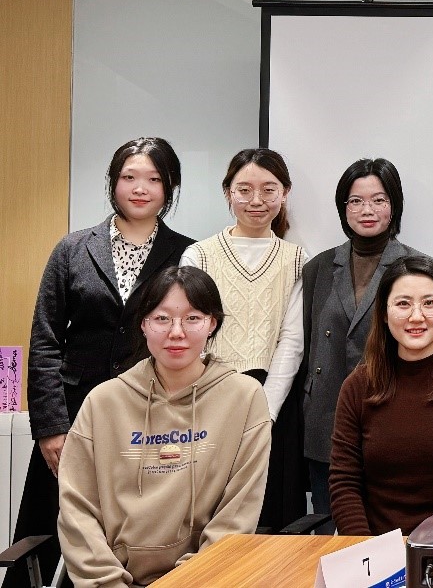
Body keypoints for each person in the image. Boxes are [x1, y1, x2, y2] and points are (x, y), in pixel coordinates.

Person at [11, 137, 194, 588]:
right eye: (129, 177)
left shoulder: (187, 254)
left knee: (136, 526)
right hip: (74, 412)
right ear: (113, 182)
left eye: (154, 179)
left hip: (150, 414)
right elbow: (46, 340)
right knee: (53, 527)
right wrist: (50, 427)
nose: (140, 188)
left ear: (170, 187)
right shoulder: (73, 249)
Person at [57, 266, 271, 587]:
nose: (176, 332)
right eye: (162, 318)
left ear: (212, 323)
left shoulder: (245, 398)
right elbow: (77, 509)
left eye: (193, 318)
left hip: (205, 581)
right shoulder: (104, 402)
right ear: (143, 324)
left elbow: (237, 515)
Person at [181, 147, 305, 528]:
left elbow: (292, 340)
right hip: (207, 401)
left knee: (272, 522)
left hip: (274, 405)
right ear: (228, 193)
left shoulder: (297, 260)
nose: (257, 201)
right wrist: (214, 402)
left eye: (269, 190)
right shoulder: (198, 257)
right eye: (244, 190)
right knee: (206, 517)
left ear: (284, 193)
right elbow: (188, 334)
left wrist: (264, 412)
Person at [330, 254, 433, 535]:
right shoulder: (358, 385)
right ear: (384, 313)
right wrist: (366, 549)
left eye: (429, 303)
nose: (416, 316)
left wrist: (423, 545)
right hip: (370, 543)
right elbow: (344, 482)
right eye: (403, 304)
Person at [302, 157, 425, 519]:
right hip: (326, 421)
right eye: (355, 201)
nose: (367, 210)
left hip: (393, 418)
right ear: (344, 208)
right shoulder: (318, 268)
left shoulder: (418, 267)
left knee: (390, 528)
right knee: (330, 529)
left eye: (378, 200)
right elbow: (307, 347)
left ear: (394, 205)